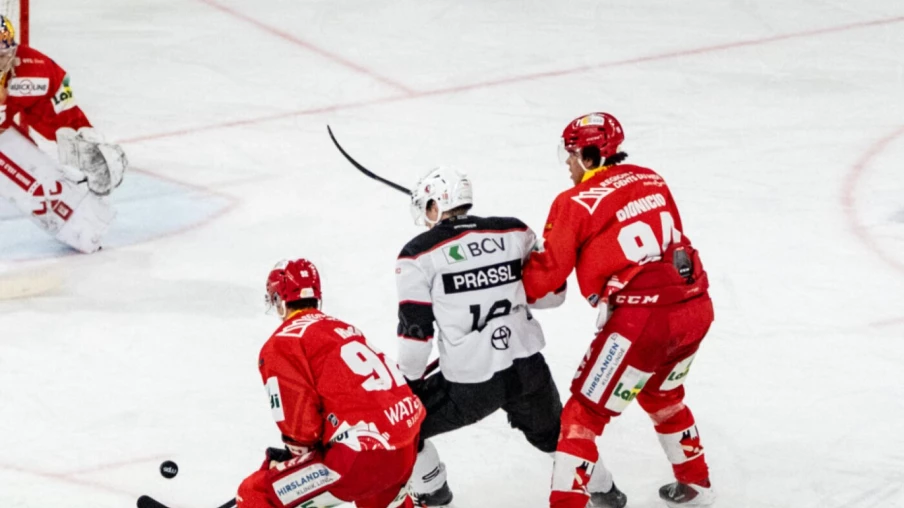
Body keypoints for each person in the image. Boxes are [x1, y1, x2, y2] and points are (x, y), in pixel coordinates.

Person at [395, 166, 626, 507]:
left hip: (469, 384)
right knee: (556, 437)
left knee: (402, 428)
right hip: (527, 370)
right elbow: (552, 295)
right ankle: (605, 491)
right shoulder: (513, 230)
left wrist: (409, 385)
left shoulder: (417, 254)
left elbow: (416, 334)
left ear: (434, 207)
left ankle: (433, 489)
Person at [522, 112, 715, 508]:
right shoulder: (651, 178)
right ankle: (697, 485)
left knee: (581, 415)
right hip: (695, 308)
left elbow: (546, 279)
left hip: (643, 322)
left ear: (591, 157)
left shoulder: (572, 202)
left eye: (572, 156)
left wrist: (511, 272)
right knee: (663, 392)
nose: (568, 166)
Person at [236, 259, 425, 508]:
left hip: (359, 459)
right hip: (404, 447)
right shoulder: (343, 328)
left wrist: (294, 459)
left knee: (255, 493)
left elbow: (301, 430)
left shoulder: (283, 343)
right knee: (378, 495)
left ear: (279, 300)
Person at [0, 15, 127, 252]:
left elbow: (57, 105)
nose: (1, 62)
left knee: (51, 194)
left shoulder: (32, 70)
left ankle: (81, 226)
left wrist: (81, 136)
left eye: (4, 54)